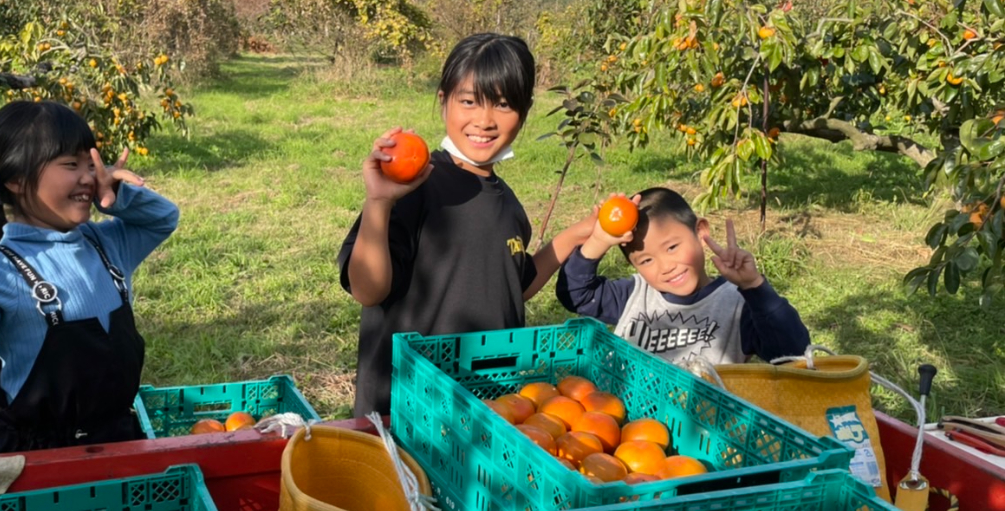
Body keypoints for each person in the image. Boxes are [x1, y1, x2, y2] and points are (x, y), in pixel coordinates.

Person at [0, 99, 179, 454]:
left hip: (117, 445)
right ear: (16, 178)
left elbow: (164, 218)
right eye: (71, 164)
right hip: (33, 465)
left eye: (91, 163)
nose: (89, 176)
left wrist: (118, 194)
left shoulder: (105, 244)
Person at [338, 32, 595, 417]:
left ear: (523, 114)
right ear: (444, 102)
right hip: (408, 409)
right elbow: (367, 289)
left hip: (484, 411)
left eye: (504, 104)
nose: (485, 121)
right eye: (470, 101)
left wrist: (577, 234)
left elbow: (513, 286)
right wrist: (378, 202)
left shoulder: (508, 205)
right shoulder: (414, 187)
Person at [555, 187, 809, 366]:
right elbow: (576, 295)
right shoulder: (635, 295)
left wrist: (754, 286)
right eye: (646, 260)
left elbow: (791, 353)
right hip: (629, 429)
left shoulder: (736, 306)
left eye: (672, 247)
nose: (666, 266)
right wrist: (599, 240)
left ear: (700, 232)